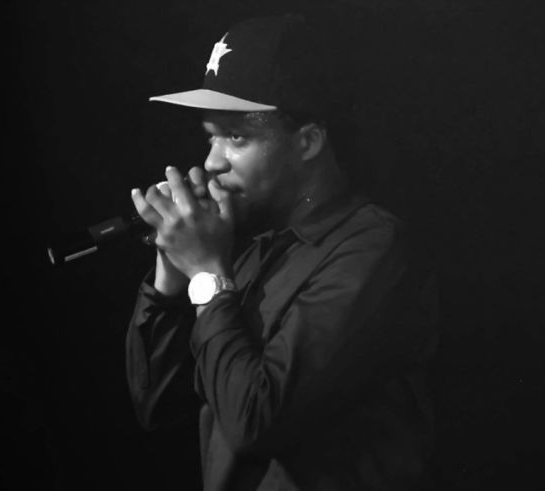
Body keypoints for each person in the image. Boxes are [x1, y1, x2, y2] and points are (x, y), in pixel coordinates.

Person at [125, 13, 438, 490]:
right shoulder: (242, 245)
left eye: (236, 137)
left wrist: (208, 274)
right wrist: (172, 275)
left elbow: (257, 422)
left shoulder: (374, 249)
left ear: (308, 141)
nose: (211, 161)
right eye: (211, 136)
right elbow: (157, 405)